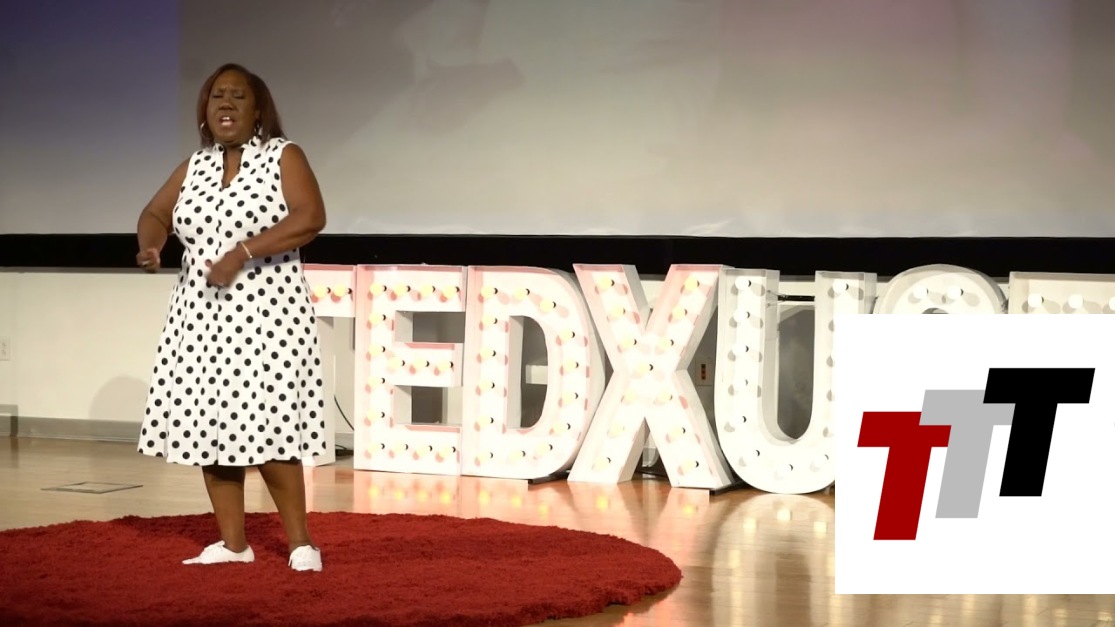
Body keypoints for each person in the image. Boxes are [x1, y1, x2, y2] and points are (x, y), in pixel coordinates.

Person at [134, 63, 329, 572]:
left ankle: (301, 544)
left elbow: (310, 217)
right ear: (205, 110)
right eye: (216, 95)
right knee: (211, 427)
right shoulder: (193, 166)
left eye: (238, 96)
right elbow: (155, 214)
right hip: (200, 316)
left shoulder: (283, 155)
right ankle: (234, 544)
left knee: (270, 425)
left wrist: (242, 252)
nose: (225, 103)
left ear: (257, 109)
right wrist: (153, 245)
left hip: (268, 315)